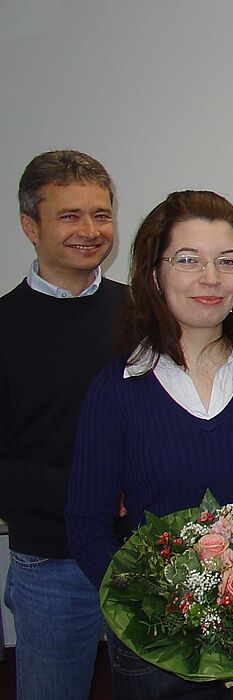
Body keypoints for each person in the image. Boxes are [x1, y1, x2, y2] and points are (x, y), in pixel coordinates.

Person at [66, 190, 233, 698]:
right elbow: (86, 525)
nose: (211, 278)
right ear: (154, 274)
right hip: (157, 650)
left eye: (227, 261)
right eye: (188, 260)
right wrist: (151, 606)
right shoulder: (116, 389)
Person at [0, 150, 124, 699]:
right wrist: (95, 494)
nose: (90, 231)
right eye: (70, 216)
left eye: (101, 215)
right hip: (50, 563)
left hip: (140, 552)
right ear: (30, 226)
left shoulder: (145, 314)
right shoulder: (5, 326)